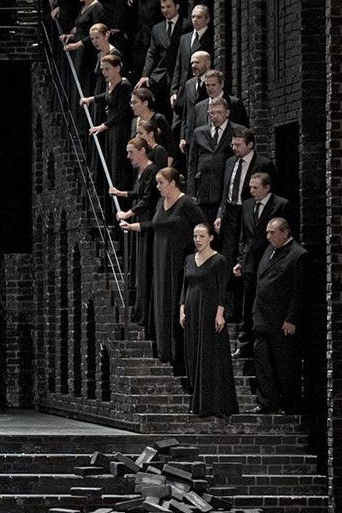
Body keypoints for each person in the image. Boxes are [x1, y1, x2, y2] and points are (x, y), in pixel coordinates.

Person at [122, 168, 205, 367]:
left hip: (179, 262)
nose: (157, 186)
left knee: (175, 301)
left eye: (161, 183)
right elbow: (157, 225)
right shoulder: (160, 202)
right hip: (160, 261)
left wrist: (198, 256)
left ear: (173, 183)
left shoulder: (187, 203)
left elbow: (203, 228)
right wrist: (134, 227)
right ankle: (164, 350)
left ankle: (179, 354)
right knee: (162, 301)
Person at [180, 222, 238, 418]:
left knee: (209, 356)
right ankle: (197, 401)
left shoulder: (219, 260)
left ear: (211, 238)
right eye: (195, 236)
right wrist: (182, 310)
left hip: (209, 312)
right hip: (191, 313)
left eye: (202, 236)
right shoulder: (189, 259)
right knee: (193, 355)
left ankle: (212, 404)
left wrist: (220, 313)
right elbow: (185, 286)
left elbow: (223, 289)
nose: (197, 240)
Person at [250, 218, 307, 414]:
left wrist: (291, 319)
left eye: (272, 233)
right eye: (267, 232)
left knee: (284, 364)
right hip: (262, 318)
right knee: (262, 362)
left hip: (280, 320)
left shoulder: (297, 255)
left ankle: (289, 403)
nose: (268, 237)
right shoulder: (270, 249)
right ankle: (266, 402)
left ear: (285, 232)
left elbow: (298, 292)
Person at [230, 172, 290, 360]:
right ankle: (244, 344)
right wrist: (240, 260)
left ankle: (266, 344)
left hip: (270, 261)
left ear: (267, 187)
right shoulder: (248, 205)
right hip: (250, 263)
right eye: (250, 187)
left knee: (268, 302)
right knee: (248, 304)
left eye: (255, 187)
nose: (251, 191)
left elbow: (286, 236)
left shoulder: (280, 204)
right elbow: (243, 237)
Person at [113, 136, 160, 329]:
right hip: (139, 218)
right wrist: (120, 193)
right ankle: (139, 309)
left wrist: (128, 213)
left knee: (145, 264)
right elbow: (138, 194)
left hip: (147, 220)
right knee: (139, 265)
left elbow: (147, 199)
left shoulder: (151, 170)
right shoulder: (140, 171)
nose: (128, 156)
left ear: (142, 151)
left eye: (131, 152)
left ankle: (145, 312)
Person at [214, 127, 272, 255]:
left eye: (238, 145)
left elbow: (270, 193)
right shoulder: (229, 162)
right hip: (230, 212)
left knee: (247, 250)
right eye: (232, 144)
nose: (234, 148)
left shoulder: (263, 164)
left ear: (250, 145)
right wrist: (220, 214)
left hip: (249, 212)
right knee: (228, 252)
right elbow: (225, 191)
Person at [83, 53, 133, 190]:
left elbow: (122, 112)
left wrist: (103, 126)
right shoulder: (109, 83)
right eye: (102, 69)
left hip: (120, 129)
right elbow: (107, 96)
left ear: (117, 68)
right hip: (112, 128)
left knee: (118, 164)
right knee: (110, 162)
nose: (104, 72)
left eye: (107, 69)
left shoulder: (124, 86)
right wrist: (91, 99)